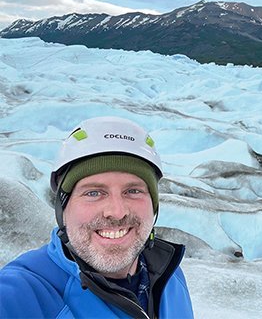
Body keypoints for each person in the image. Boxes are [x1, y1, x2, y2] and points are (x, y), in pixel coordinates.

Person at [0, 116, 194, 318]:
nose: (117, 212)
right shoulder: (21, 295)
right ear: (63, 207)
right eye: (93, 193)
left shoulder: (170, 278)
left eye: (133, 191)